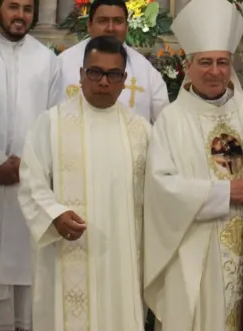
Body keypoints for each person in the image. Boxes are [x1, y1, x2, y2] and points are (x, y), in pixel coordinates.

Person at [144, 0, 243, 331]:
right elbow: (161, 188)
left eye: (221, 62)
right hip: (199, 252)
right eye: (205, 62)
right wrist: (225, 194)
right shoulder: (172, 119)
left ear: (231, 65)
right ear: (189, 66)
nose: (214, 71)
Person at [19, 35, 151, 331]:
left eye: (113, 75)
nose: (103, 82)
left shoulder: (141, 131)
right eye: (95, 72)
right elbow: (31, 181)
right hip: (67, 252)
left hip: (123, 259)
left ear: (123, 79)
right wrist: (54, 214)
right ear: (81, 75)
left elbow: (159, 194)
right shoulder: (51, 123)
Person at [0, 0, 62, 331]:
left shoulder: (46, 60)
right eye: (13, 7)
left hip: (27, 180)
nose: (20, 16)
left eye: (26, 9)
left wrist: (28, 164)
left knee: (26, 270)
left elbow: (55, 119)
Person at [57, 0, 169, 122]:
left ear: (126, 27)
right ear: (89, 25)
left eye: (117, 21)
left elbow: (163, 125)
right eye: (103, 21)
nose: (110, 28)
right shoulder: (63, 63)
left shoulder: (146, 72)